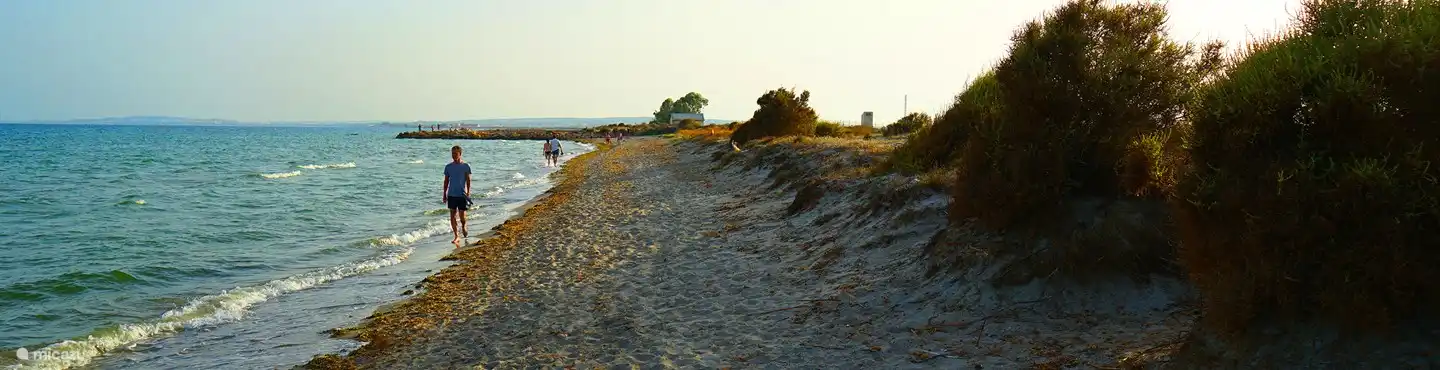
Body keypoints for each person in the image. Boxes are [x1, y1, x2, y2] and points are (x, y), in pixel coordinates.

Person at [442, 145, 472, 244]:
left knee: (462, 217)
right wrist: (444, 194)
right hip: (451, 195)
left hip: (462, 195)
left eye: (455, 154)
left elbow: (468, 180)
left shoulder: (466, 166)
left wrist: (468, 192)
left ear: (460, 154)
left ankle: (463, 226)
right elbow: (446, 182)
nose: (454, 155)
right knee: (452, 215)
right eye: (452, 153)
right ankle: (456, 236)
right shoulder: (448, 167)